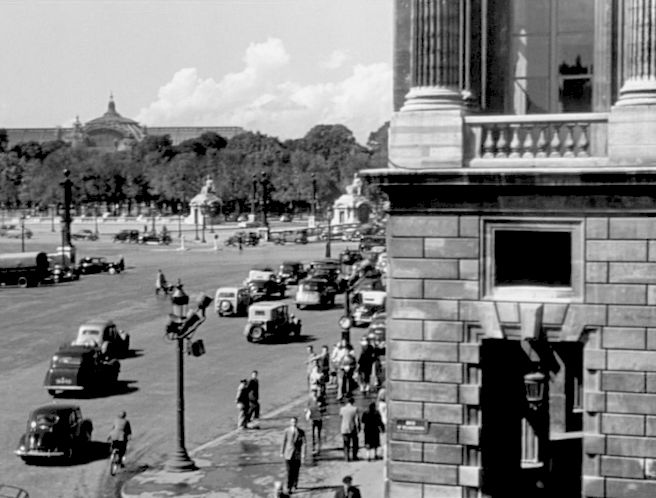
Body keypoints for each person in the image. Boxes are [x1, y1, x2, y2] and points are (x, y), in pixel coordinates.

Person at [280, 416, 306, 494]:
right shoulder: (287, 431)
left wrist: (303, 454)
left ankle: (295, 484)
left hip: (297, 454)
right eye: (292, 422)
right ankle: (289, 487)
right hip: (288, 454)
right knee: (289, 471)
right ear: (290, 423)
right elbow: (283, 441)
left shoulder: (301, 432)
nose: (293, 423)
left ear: (297, 423)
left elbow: (304, 443)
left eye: (295, 422)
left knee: (296, 471)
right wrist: (282, 452)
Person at [339, 397, 360, 462]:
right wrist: (359, 428)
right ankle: (354, 456)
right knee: (355, 443)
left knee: (346, 444)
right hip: (352, 428)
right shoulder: (355, 409)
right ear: (353, 402)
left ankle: (346, 457)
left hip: (344, 428)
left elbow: (341, 417)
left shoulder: (342, 409)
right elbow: (357, 420)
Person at [305, 391, 323, 456]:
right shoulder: (310, 399)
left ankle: (319, 447)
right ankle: (313, 447)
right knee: (312, 434)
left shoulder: (320, 398)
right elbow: (307, 407)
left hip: (319, 418)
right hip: (313, 419)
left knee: (318, 433)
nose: (314, 394)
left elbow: (323, 408)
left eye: (315, 393)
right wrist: (307, 411)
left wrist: (320, 407)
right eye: (313, 393)